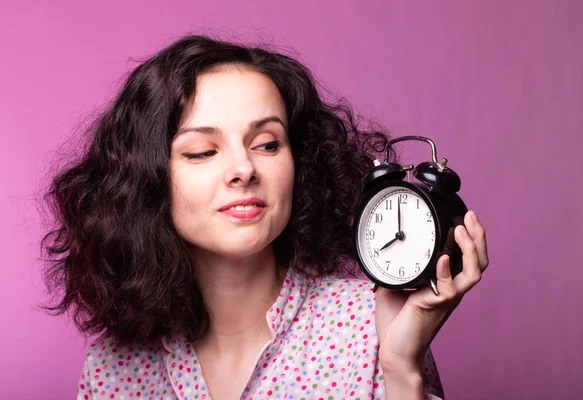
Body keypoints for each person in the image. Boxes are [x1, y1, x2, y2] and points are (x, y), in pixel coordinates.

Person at [42, 35, 489, 400]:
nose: (244, 169)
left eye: (268, 144)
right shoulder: (112, 370)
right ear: (147, 179)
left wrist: (402, 369)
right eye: (202, 151)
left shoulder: (373, 324)